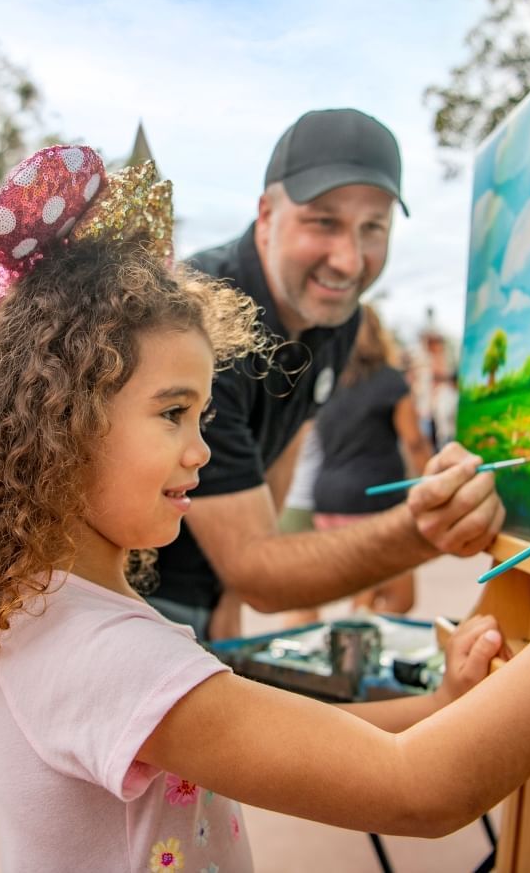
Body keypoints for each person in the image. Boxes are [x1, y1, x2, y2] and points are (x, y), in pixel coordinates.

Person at [0, 144, 530, 873]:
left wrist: (441, 707)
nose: (200, 449)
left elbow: (280, 744)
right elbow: (417, 790)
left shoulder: (61, 609)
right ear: (60, 426)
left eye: (203, 416)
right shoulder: (106, 658)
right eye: (172, 413)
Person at [149, 108, 506, 641]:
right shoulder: (199, 322)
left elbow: (282, 451)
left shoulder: (337, 317)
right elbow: (258, 573)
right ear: (266, 214)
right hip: (130, 595)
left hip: (203, 592)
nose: (349, 260)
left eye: (373, 228)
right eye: (325, 221)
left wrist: (226, 595)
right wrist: (424, 527)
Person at [310, 302, 435, 616]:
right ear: (378, 334)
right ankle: (355, 650)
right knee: (395, 596)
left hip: (327, 499)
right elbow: (414, 441)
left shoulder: (329, 382)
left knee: (368, 588)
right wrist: (434, 483)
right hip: (373, 499)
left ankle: (355, 643)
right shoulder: (390, 381)